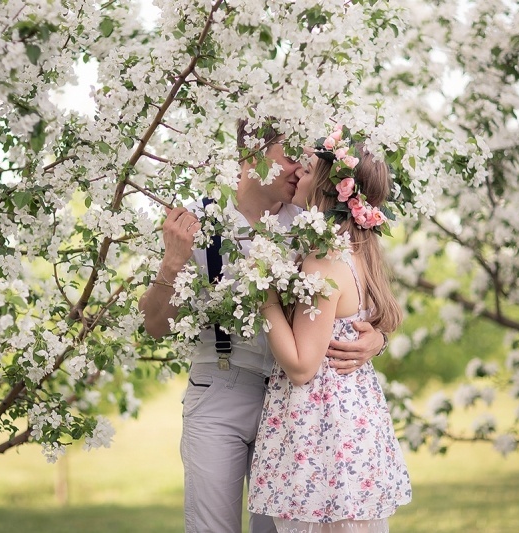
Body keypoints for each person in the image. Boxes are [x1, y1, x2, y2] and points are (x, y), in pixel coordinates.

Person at [138, 119, 388, 533]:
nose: (300, 169)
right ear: (253, 151)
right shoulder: (194, 223)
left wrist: (376, 339)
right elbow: (155, 326)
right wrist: (172, 262)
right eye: (292, 157)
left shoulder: (311, 223)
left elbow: (360, 293)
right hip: (221, 390)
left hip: (293, 399)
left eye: (306, 162)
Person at [247, 130, 412, 533]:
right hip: (352, 421)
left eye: (309, 166)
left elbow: (303, 366)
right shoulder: (358, 253)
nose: (300, 169)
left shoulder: (322, 261)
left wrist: (264, 293)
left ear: (330, 186)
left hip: (322, 432)